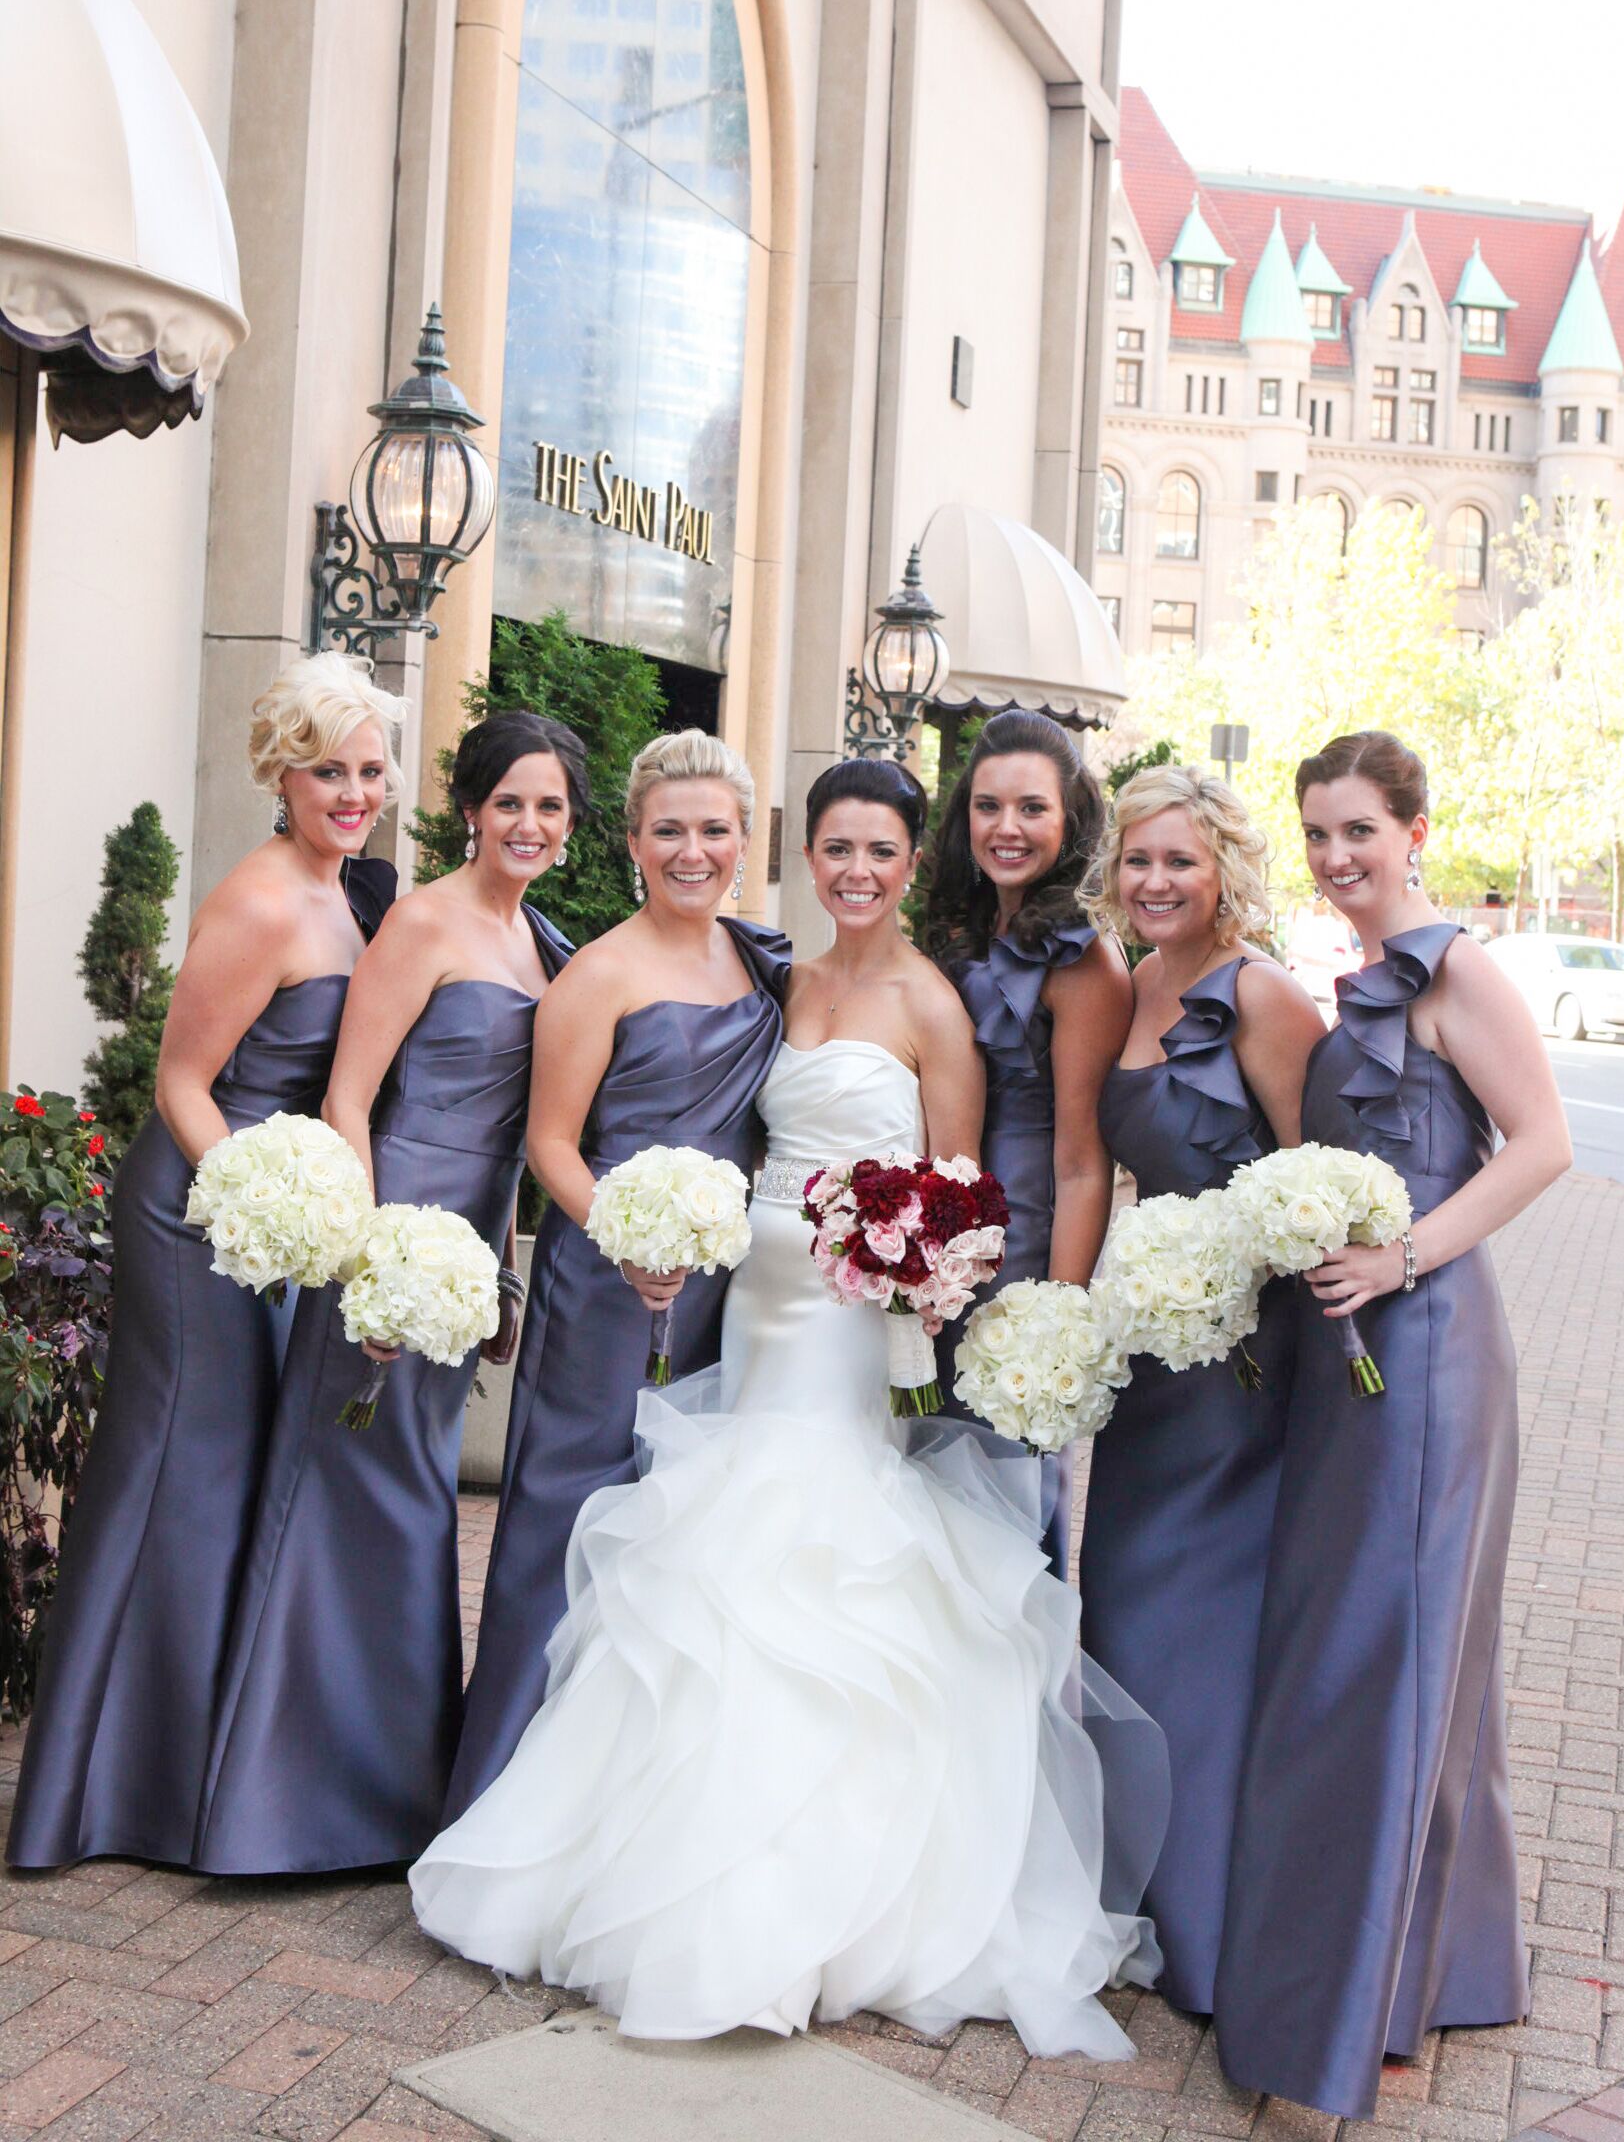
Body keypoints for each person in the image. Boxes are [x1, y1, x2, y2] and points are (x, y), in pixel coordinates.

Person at [410, 758, 1169, 2056]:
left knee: (814, 1553)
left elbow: (959, 1184)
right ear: (806, 857)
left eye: (880, 850)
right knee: (710, 1556)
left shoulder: (927, 1002)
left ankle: (809, 1894)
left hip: (841, 1314)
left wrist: (913, 1274)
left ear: (898, 855)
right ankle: (658, 1847)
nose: (858, 871)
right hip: (744, 1293)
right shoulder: (785, 978)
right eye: (837, 850)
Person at [1215, 729, 1572, 2119]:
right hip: (1343, 1354)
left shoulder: (1455, 972)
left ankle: (1362, 2001)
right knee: (1381, 1659)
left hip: (1418, 1351)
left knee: (1389, 1662)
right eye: (1314, 834)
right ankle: (1435, 1966)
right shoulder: (1351, 986)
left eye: (1356, 830)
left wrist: (1400, 1257)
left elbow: (1539, 1144)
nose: (1333, 856)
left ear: (1415, 828)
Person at [7, 653, 403, 1870]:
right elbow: (183, 1078)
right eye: (326, 769)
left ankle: (185, 1783)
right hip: (195, 1211)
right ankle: (93, 1792)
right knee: (169, 1475)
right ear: (279, 776)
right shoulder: (262, 896)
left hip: (268, 1226)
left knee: (225, 1487)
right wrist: (249, 1200)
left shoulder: (358, 894)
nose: (352, 792)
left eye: (371, 769)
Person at [190, 713, 582, 1872]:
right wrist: (371, 1256)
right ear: (468, 808)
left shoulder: (541, 943)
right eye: (509, 800)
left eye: (551, 805)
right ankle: (282, 1809)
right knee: (347, 1500)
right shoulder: (423, 921)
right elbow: (350, 1098)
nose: (529, 823)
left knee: (412, 1511)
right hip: (387, 1251)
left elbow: (525, 1133)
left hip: (457, 1267)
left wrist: (492, 1272)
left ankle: (392, 1795)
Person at [444, 729, 789, 1818]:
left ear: (746, 840)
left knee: (681, 1537)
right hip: (605, 1287)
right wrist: (628, 1239)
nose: (694, 852)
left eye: (715, 831)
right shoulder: (596, 974)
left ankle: (632, 1808)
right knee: (567, 1524)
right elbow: (551, 1144)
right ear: (634, 841)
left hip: (719, 1292)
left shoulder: (761, 960)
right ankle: (505, 1796)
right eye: (670, 831)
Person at [1075, 765, 1323, 2014]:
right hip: (1148, 1356)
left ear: (1223, 866)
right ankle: (1142, 1899)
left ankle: (1222, 1926)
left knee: (1205, 1630)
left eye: (1179, 860)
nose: (1156, 882)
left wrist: (1252, 1283)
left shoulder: (1268, 1000)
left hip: (1242, 1364)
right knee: (1117, 1607)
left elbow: (1320, 1179)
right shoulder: (1129, 987)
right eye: (1137, 862)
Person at [921, 711, 1130, 1568]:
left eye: (1031, 809)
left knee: (1001, 1493)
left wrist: (1056, 1318)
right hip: (933, 1241)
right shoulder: (960, 934)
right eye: (987, 806)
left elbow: (1085, 1162)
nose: (1006, 828)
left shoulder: (1086, 963)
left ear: (1070, 820)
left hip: (1019, 1250)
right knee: (929, 1490)